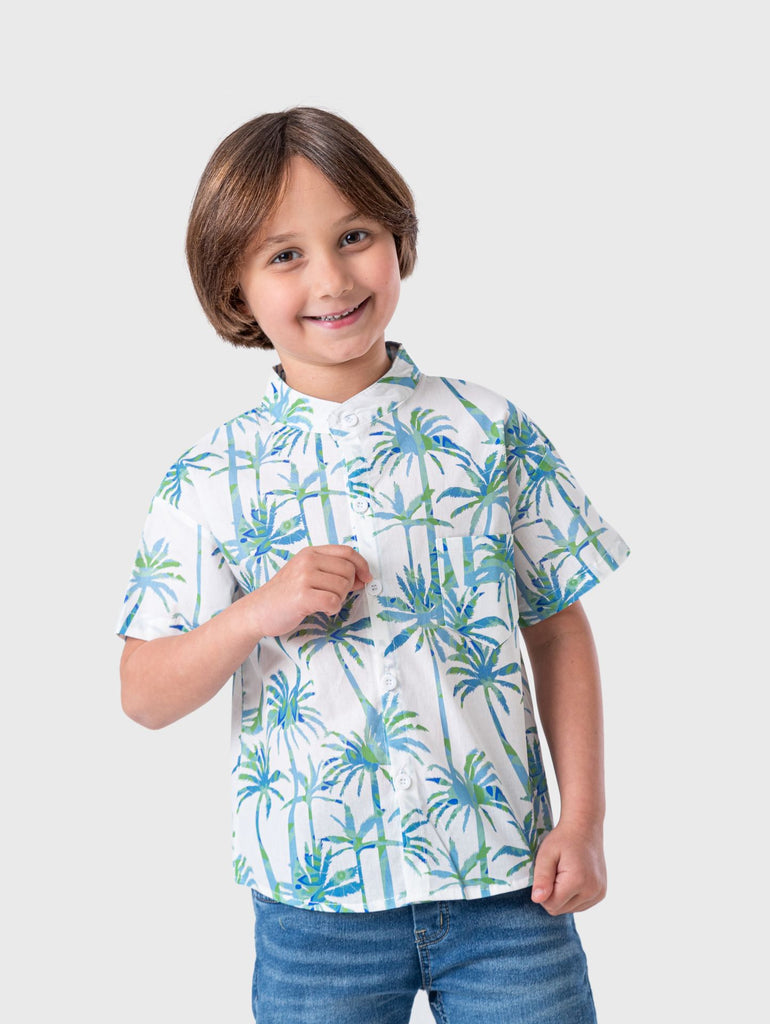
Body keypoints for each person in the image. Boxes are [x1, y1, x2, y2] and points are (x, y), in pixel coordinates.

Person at [117, 106, 629, 1024]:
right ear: (234, 287)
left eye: (354, 236)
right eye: (285, 255)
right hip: (314, 910)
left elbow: (556, 626)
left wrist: (582, 820)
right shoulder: (209, 476)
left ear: (398, 237)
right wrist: (254, 613)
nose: (332, 277)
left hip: (509, 884)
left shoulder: (488, 429)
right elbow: (143, 693)